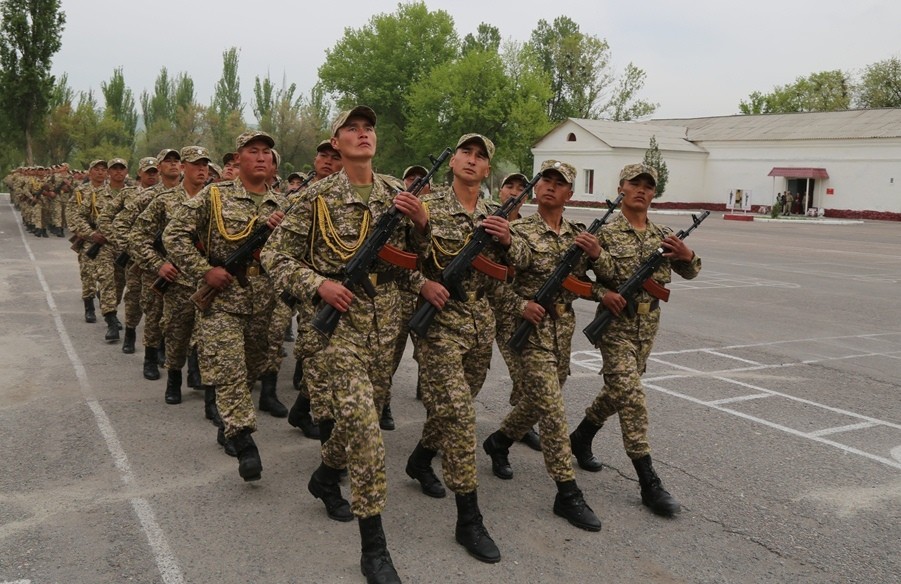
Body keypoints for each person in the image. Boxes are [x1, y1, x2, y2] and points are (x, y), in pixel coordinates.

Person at [262, 105, 429, 584]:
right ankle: (374, 549)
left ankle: (322, 477)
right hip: (335, 329)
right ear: (335, 142)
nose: (362, 134)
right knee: (368, 435)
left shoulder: (398, 194)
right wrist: (318, 284)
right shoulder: (315, 197)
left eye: (368, 128)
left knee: (359, 423)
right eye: (351, 129)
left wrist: (421, 225)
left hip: (385, 325)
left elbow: (418, 263)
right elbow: (275, 255)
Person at [405, 133, 525, 564]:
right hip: (437, 324)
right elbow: (396, 259)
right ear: (452, 160)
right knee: (459, 416)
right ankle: (469, 518)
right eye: (466, 153)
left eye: (481, 157)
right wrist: (423, 283)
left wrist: (510, 242)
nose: (472, 161)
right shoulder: (427, 205)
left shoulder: (498, 214)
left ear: (488, 170)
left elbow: (516, 268)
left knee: (455, 404)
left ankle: (420, 459)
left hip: (479, 325)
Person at [569, 163, 702, 518]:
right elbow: (575, 279)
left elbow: (690, 270)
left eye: (648, 185)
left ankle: (581, 436)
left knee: (618, 391)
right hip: (615, 326)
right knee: (632, 397)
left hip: (648, 326)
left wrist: (687, 256)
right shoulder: (606, 234)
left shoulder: (664, 235)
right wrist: (602, 294)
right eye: (635, 184)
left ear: (653, 193)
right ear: (621, 188)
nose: (641, 190)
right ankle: (649, 482)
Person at [482, 160, 602, 532]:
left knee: (538, 400)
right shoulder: (515, 231)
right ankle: (567, 492)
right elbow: (492, 280)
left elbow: (590, 282)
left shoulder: (579, 235)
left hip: (562, 328)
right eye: (545, 180)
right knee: (551, 408)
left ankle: (499, 441)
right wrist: (520, 305)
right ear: (536, 188)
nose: (550, 186)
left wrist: (598, 255)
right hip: (527, 330)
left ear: (570, 193)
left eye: (559, 182)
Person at [164, 131, 284, 482]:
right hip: (222, 303)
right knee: (230, 370)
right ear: (239, 158)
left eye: (266, 152)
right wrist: (205, 271)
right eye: (253, 151)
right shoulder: (214, 195)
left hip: (262, 304)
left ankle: (229, 425)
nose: (261, 157)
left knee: (249, 370)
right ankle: (245, 441)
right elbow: (174, 235)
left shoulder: (283, 206)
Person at [131, 146, 211, 407]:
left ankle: (206, 387)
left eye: (205, 165)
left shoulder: (218, 199)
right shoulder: (164, 200)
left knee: (209, 336)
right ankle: (174, 378)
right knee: (176, 334)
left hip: (211, 280)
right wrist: (158, 265)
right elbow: (138, 237)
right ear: (184, 168)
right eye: (195, 164)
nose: (202, 170)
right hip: (178, 282)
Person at [491, 172, 542, 452]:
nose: (514, 192)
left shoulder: (530, 230)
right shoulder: (488, 221)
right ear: (499, 192)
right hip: (482, 308)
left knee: (523, 374)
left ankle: (520, 426)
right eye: (509, 186)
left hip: (513, 313)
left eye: (521, 189)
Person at [67, 160, 107, 323]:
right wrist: (89, 233)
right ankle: (89, 307)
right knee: (88, 274)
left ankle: (108, 312)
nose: (100, 172)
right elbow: (72, 216)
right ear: (90, 172)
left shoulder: (112, 191)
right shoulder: (80, 191)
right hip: (88, 238)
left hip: (107, 238)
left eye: (103, 170)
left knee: (107, 277)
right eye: (96, 169)